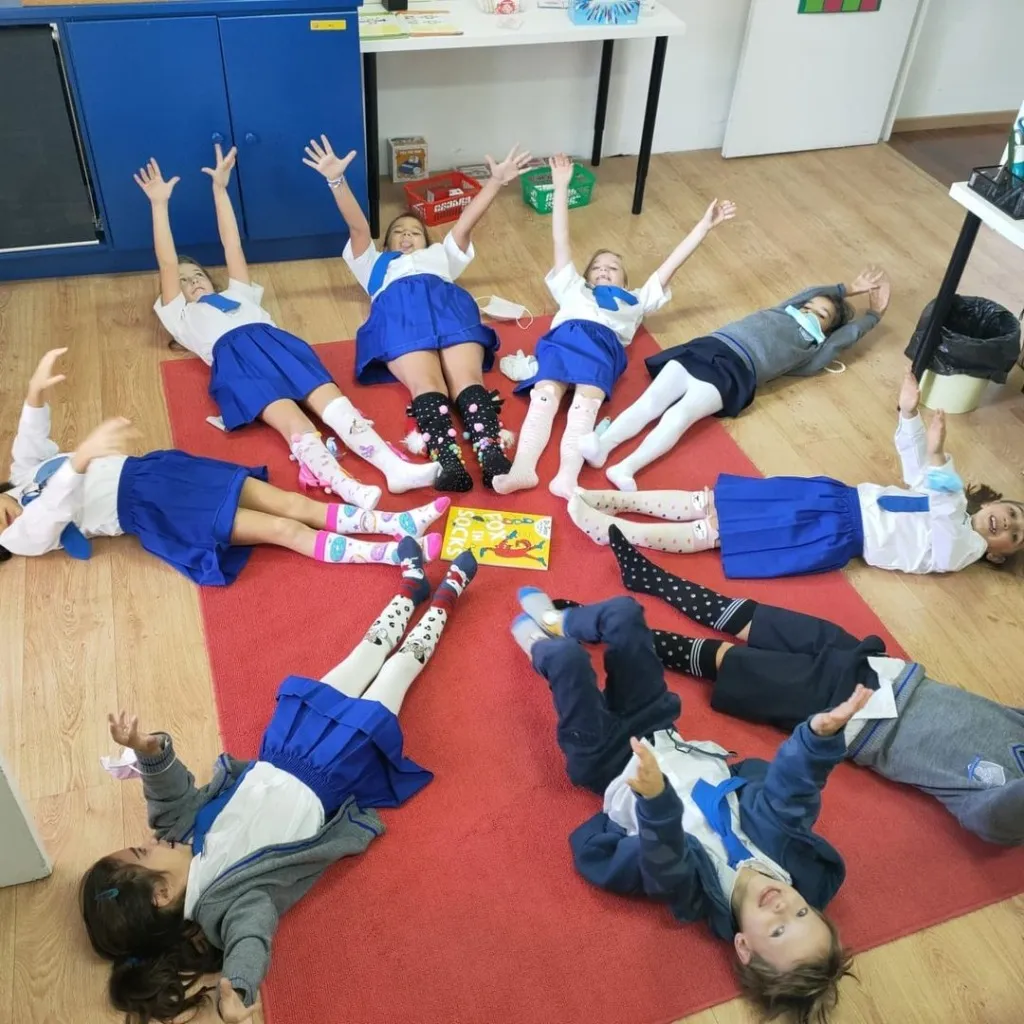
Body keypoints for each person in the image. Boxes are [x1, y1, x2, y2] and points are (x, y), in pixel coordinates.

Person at [80, 539, 477, 1024]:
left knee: (363, 655)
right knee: (397, 671)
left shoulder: (177, 829)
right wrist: (239, 989)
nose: (150, 840)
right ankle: (447, 595)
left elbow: (166, 789)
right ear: (162, 894)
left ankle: (411, 591)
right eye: (142, 852)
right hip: (333, 770)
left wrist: (147, 750)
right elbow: (253, 938)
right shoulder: (226, 906)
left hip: (287, 745)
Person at [509, 589, 865, 1023]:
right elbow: (793, 790)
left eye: (778, 929)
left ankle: (536, 643)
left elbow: (663, 857)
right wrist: (818, 737)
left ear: (744, 946)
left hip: (605, 759)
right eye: (802, 911)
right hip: (656, 722)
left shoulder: (693, 892)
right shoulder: (781, 850)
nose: (782, 907)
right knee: (623, 614)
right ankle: (558, 621)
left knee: (566, 661)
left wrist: (656, 797)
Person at [601, 540, 1024, 846]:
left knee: (726, 660)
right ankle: (650, 579)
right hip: (878, 667)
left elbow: (989, 820)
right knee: (752, 618)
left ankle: (608, 627)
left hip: (853, 715)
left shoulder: (1007, 815)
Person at [136, 145, 438, 508]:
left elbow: (231, 243)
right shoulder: (180, 316)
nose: (192, 281)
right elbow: (167, 263)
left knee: (337, 407)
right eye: (184, 282)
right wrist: (158, 205)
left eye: (198, 274)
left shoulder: (240, 294)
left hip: (278, 345)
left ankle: (394, 468)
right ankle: (348, 488)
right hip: (237, 364)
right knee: (296, 426)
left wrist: (220, 190)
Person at [0, 350, 447, 583]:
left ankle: (396, 522)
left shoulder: (22, 478)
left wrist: (35, 393)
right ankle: (390, 553)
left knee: (292, 503)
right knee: (282, 530)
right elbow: (53, 510)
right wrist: (81, 458)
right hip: (154, 508)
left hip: (161, 473)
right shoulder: (21, 538)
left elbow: (31, 439)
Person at [568, 371, 1024, 576]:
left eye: (1016, 535)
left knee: (720, 530)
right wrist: (907, 416)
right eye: (1015, 514)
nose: (1009, 524)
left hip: (837, 532)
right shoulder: (949, 501)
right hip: (833, 499)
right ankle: (621, 502)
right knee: (714, 500)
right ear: (996, 502)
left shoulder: (964, 548)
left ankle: (618, 532)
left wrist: (940, 456)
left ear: (999, 555)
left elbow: (943, 525)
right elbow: (916, 471)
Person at [494, 154, 737, 499]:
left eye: (613, 268)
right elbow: (560, 241)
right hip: (563, 340)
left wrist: (703, 228)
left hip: (602, 347)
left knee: (584, 407)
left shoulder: (636, 300)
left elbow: (671, 264)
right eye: (597, 267)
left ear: (626, 281)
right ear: (587, 275)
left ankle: (567, 476)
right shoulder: (573, 288)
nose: (604, 271)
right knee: (545, 396)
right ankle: (523, 469)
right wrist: (560, 187)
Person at [305, 135, 533, 491]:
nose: (408, 236)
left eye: (415, 232)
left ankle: (489, 449)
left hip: (449, 309)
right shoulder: (373, 263)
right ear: (387, 243)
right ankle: (446, 456)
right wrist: (337, 180)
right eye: (399, 232)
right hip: (399, 317)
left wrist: (496, 182)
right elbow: (358, 227)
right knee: (427, 385)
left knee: (468, 382)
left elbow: (466, 222)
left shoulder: (440, 256)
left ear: (427, 241)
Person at [578, 268, 890, 491]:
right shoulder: (783, 311)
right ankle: (602, 446)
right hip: (707, 347)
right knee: (650, 402)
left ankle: (626, 468)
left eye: (820, 315)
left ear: (825, 331)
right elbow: (805, 294)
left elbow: (840, 342)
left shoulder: (811, 348)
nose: (809, 311)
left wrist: (873, 317)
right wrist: (846, 289)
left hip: (735, 371)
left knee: (678, 416)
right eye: (808, 307)